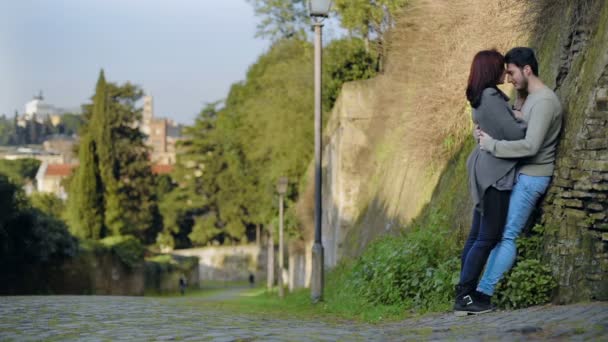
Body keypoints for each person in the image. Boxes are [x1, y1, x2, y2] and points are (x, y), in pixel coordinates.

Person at [475, 47, 563, 303]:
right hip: (521, 175)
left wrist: (491, 145)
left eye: (512, 72)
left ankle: (485, 293)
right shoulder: (528, 98)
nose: (509, 78)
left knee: (508, 234)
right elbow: (517, 129)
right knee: (500, 233)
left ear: (527, 70)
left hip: (532, 178)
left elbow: (531, 146)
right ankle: (482, 290)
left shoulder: (545, 101)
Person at [454, 49, 527, 316]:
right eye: (501, 67)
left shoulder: (479, 96)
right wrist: (525, 118)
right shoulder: (491, 96)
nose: (505, 72)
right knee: (488, 236)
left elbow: (497, 129)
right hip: (494, 175)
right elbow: (514, 133)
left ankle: (465, 293)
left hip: (484, 171)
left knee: (477, 236)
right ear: (490, 70)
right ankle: (465, 295)